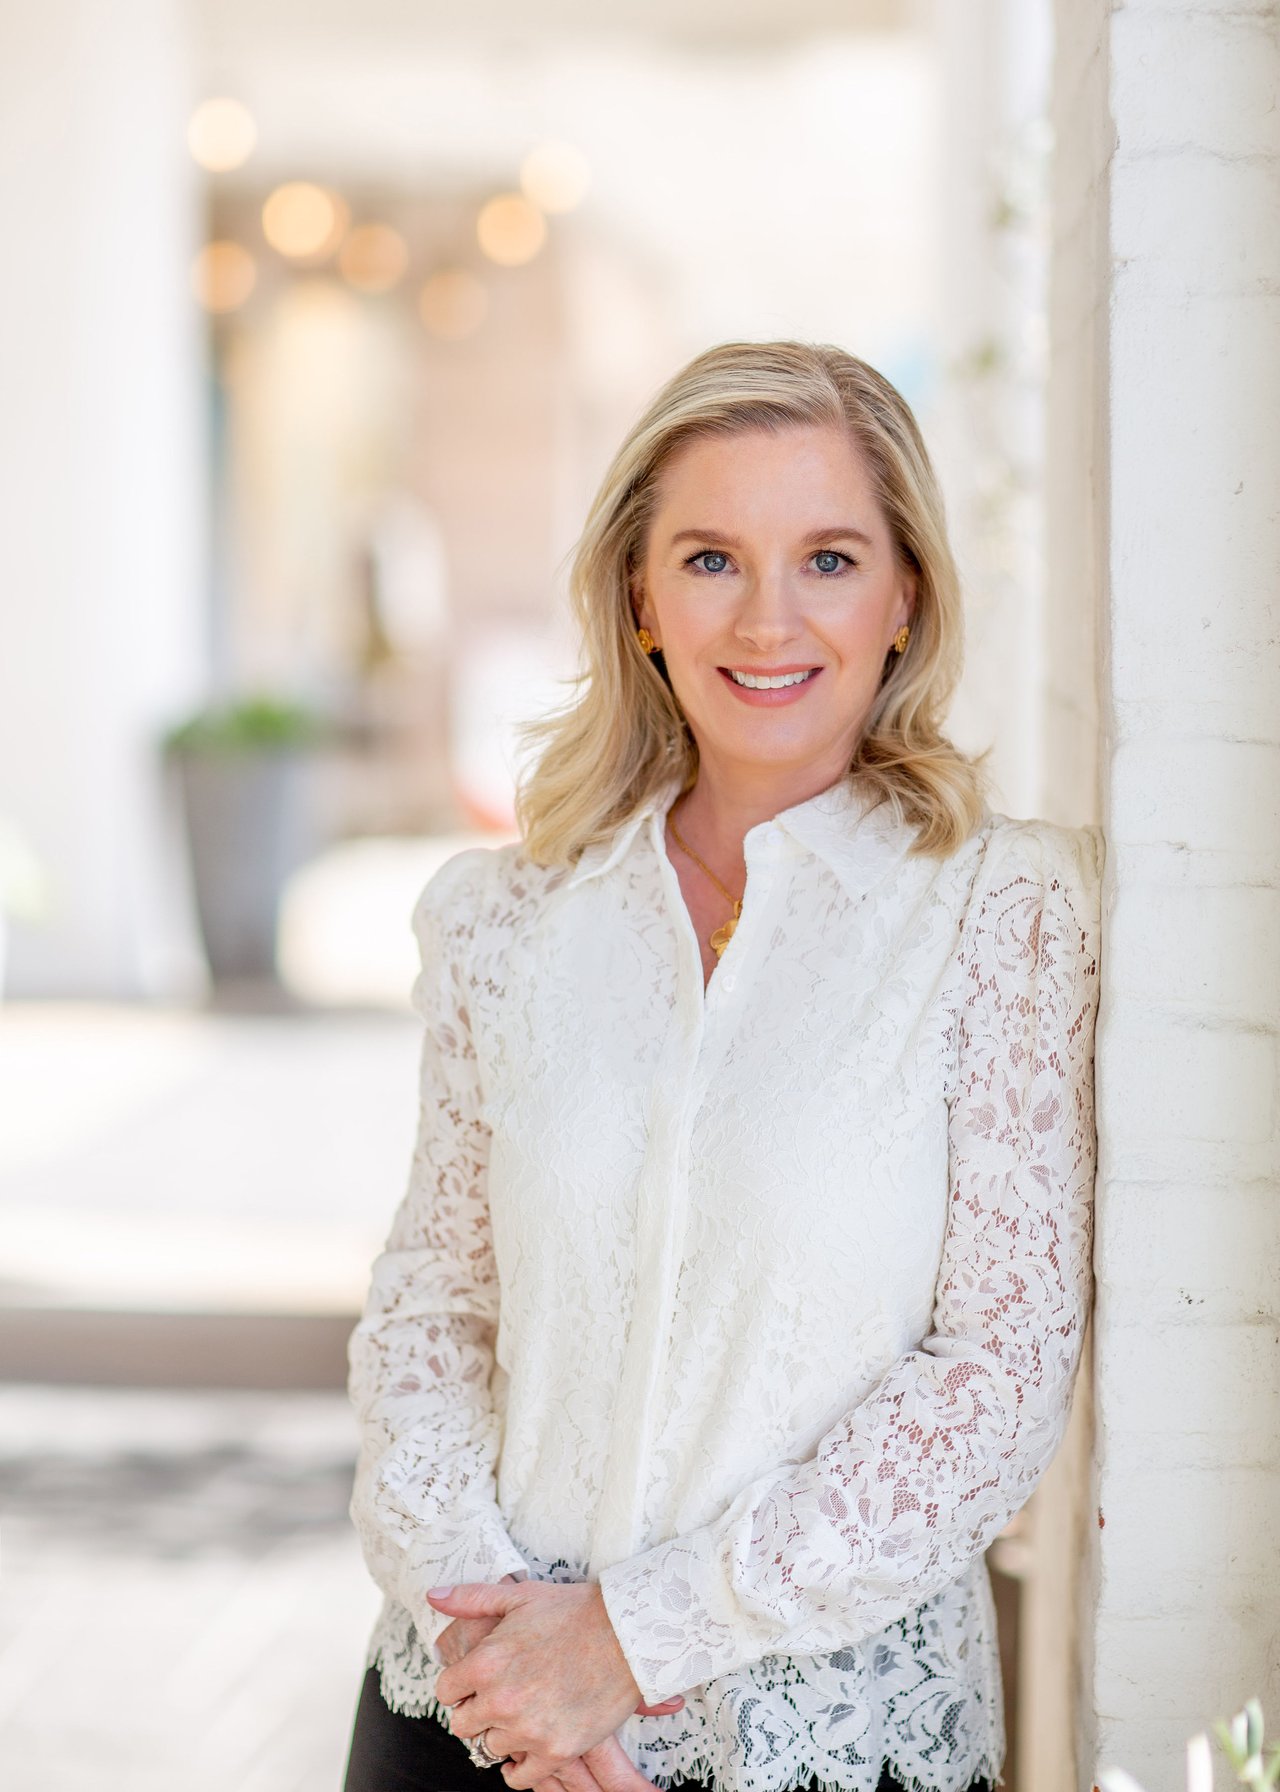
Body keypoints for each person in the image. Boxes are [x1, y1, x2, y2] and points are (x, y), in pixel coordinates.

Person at [341, 340, 1104, 1792]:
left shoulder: (1001, 914)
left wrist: (625, 1645)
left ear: (906, 595)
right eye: (710, 560)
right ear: (639, 597)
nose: (768, 619)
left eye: (829, 559)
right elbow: (433, 1317)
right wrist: (497, 1657)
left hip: (821, 1741)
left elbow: (998, 1375)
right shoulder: (503, 921)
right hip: (472, 1723)